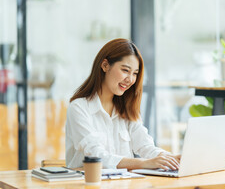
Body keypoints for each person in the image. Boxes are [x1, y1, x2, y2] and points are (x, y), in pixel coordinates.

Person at [66, 38, 180, 170]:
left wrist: (171, 159)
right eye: (125, 70)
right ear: (105, 65)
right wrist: (143, 163)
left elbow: (145, 146)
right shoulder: (79, 108)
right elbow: (96, 156)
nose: (130, 79)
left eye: (135, 73)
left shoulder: (127, 108)